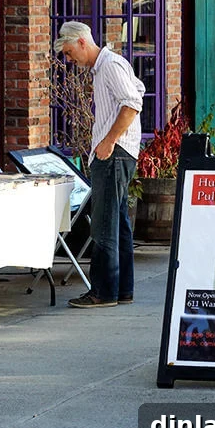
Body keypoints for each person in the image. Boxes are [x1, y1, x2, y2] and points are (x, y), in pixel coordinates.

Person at [53, 21, 145, 308]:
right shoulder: (111, 64)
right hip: (118, 152)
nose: (70, 60)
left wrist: (109, 140)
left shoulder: (109, 66)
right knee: (118, 224)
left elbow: (132, 103)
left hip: (114, 154)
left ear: (82, 42)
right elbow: (138, 89)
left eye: (69, 53)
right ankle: (122, 289)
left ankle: (103, 292)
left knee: (104, 226)